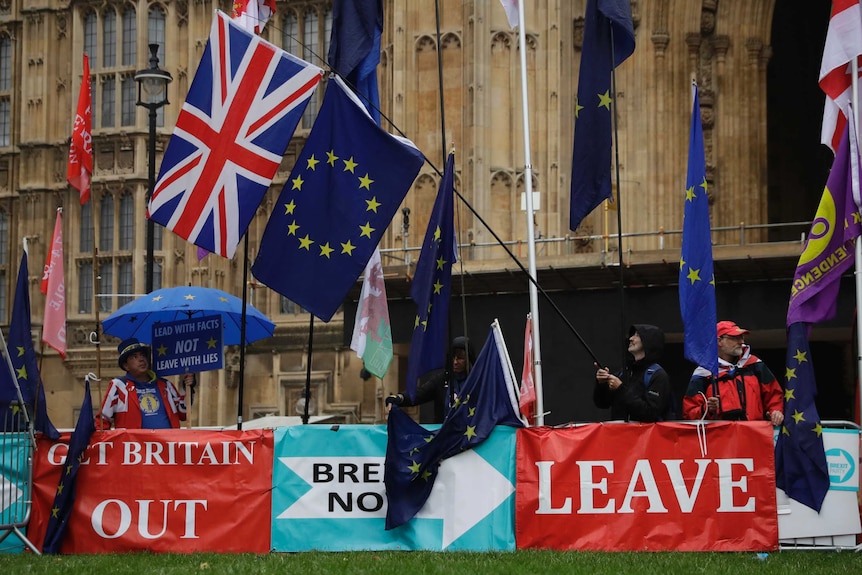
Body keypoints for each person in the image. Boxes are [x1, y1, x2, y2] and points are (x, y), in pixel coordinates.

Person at [682, 321, 784, 425]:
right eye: (734, 338)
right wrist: (707, 409)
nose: (741, 341)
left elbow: (774, 395)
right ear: (719, 341)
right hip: (720, 437)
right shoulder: (704, 372)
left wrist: (775, 411)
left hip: (754, 434)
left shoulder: (754, 364)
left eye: (741, 337)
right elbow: (689, 413)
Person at [98, 337, 192, 429]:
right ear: (126, 366)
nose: (141, 359)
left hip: (167, 443)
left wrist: (187, 388)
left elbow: (183, 413)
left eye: (142, 355)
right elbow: (102, 421)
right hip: (135, 444)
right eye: (134, 357)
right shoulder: (119, 386)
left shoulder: (165, 385)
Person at [594, 324, 674, 422]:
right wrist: (602, 384)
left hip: (647, 436)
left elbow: (650, 413)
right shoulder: (624, 373)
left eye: (637, 335)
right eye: (632, 335)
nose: (631, 339)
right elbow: (602, 403)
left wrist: (620, 389)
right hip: (619, 435)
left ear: (649, 341)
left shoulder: (658, 376)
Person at [386, 336, 475, 423]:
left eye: (460, 358)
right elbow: (420, 393)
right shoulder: (442, 379)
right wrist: (400, 398)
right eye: (453, 357)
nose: (455, 362)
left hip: (471, 434)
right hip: (444, 434)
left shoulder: (476, 381)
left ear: (469, 359)